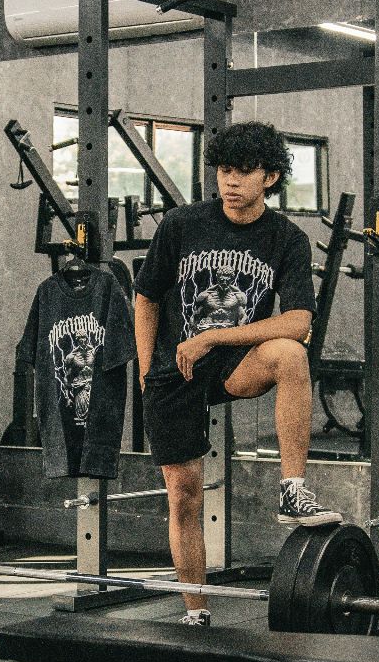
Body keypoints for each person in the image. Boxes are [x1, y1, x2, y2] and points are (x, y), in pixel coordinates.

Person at [134, 121, 338, 628]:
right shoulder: (181, 225)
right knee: (183, 496)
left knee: (291, 354)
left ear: (269, 177)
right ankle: (196, 610)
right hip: (174, 369)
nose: (231, 181)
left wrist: (213, 337)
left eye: (244, 172)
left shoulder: (287, 239)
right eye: (225, 170)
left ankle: (292, 488)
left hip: (229, 365)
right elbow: (146, 296)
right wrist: (145, 372)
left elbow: (298, 322)